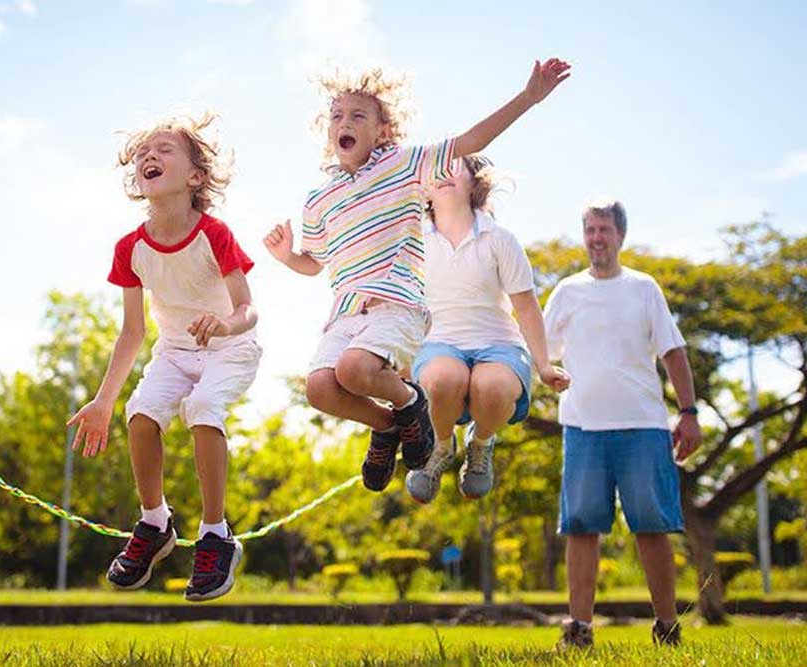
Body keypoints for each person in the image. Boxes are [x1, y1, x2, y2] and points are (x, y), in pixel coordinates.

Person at [264, 59, 571, 492]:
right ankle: (390, 425)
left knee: (354, 369)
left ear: (382, 131)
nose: (343, 123)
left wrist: (528, 98)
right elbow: (313, 262)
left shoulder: (404, 166)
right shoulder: (319, 199)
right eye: (336, 116)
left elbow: (470, 141)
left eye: (357, 116)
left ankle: (413, 401)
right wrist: (286, 256)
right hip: (348, 313)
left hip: (398, 306)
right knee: (319, 388)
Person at [67, 114, 261, 602]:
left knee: (202, 410)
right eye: (142, 153)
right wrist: (102, 400)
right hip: (174, 352)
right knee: (140, 414)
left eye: (164, 149)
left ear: (195, 177)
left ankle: (216, 535)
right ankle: (155, 523)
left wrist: (225, 325)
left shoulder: (214, 233)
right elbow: (133, 332)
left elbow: (247, 308)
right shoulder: (130, 248)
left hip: (230, 348)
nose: (149, 156)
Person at [543, 199, 702, 647]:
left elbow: (673, 352)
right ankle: (579, 627)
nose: (597, 238)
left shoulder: (644, 287)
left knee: (652, 526)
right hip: (582, 428)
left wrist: (688, 413)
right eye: (590, 229)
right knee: (580, 526)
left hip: (644, 426)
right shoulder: (567, 292)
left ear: (621, 235)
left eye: (605, 229)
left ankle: (667, 626)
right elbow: (539, 348)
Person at [405, 155, 570, 505]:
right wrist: (396, 362)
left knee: (492, 388)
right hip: (439, 342)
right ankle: (441, 446)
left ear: (474, 183)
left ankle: (479, 445)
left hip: (498, 345)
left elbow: (525, 306)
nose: (445, 173)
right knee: (441, 380)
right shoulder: (413, 241)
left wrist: (543, 365)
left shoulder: (499, 239)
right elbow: (398, 304)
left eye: (455, 166)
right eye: (437, 168)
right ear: (426, 188)